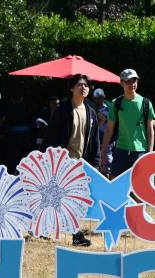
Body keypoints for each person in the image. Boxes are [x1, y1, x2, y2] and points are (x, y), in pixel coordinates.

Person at [45, 74, 101, 247]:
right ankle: (71, 234)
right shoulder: (63, 110)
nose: (83, 87)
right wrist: (48, 158)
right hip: (62, 161)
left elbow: (94, 139)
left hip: (80, 162)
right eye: (79, 85)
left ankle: (71, 233)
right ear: (71, 88)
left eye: (85, 85)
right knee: (58, 198)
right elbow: (51, 135)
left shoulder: (91, 112)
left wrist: (96, 162)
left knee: (73, 199)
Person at [101, 69, 155, 178]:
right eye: (128, 81)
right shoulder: (115, 103)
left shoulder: (146, 103)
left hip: (140, 152)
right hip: (120, 150)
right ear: (121, 83)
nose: (132, 84)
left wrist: (149, 154)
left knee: (137, 188)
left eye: (134, 80)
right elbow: (109, 130)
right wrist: (103, 152)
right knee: (115, 184)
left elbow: (150, 131)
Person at [0, 90, 34, 173]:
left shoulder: (8, 107)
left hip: (12, 135)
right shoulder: (27, 107)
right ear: (22, 98)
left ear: (12, 99)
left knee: (12, 157)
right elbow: (32, 122)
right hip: (25, 136)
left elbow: (3, 122)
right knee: (23, 156)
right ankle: (23, 173)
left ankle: (12, 173)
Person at [89, 88, 112, 173]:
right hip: (96, 140)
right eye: (96, 98)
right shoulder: (92, 110)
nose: (99, 100)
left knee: (108, 162)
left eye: (100, 97)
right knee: (97, 162)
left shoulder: (110, 108)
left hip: (109, 140)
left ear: (104, 97)